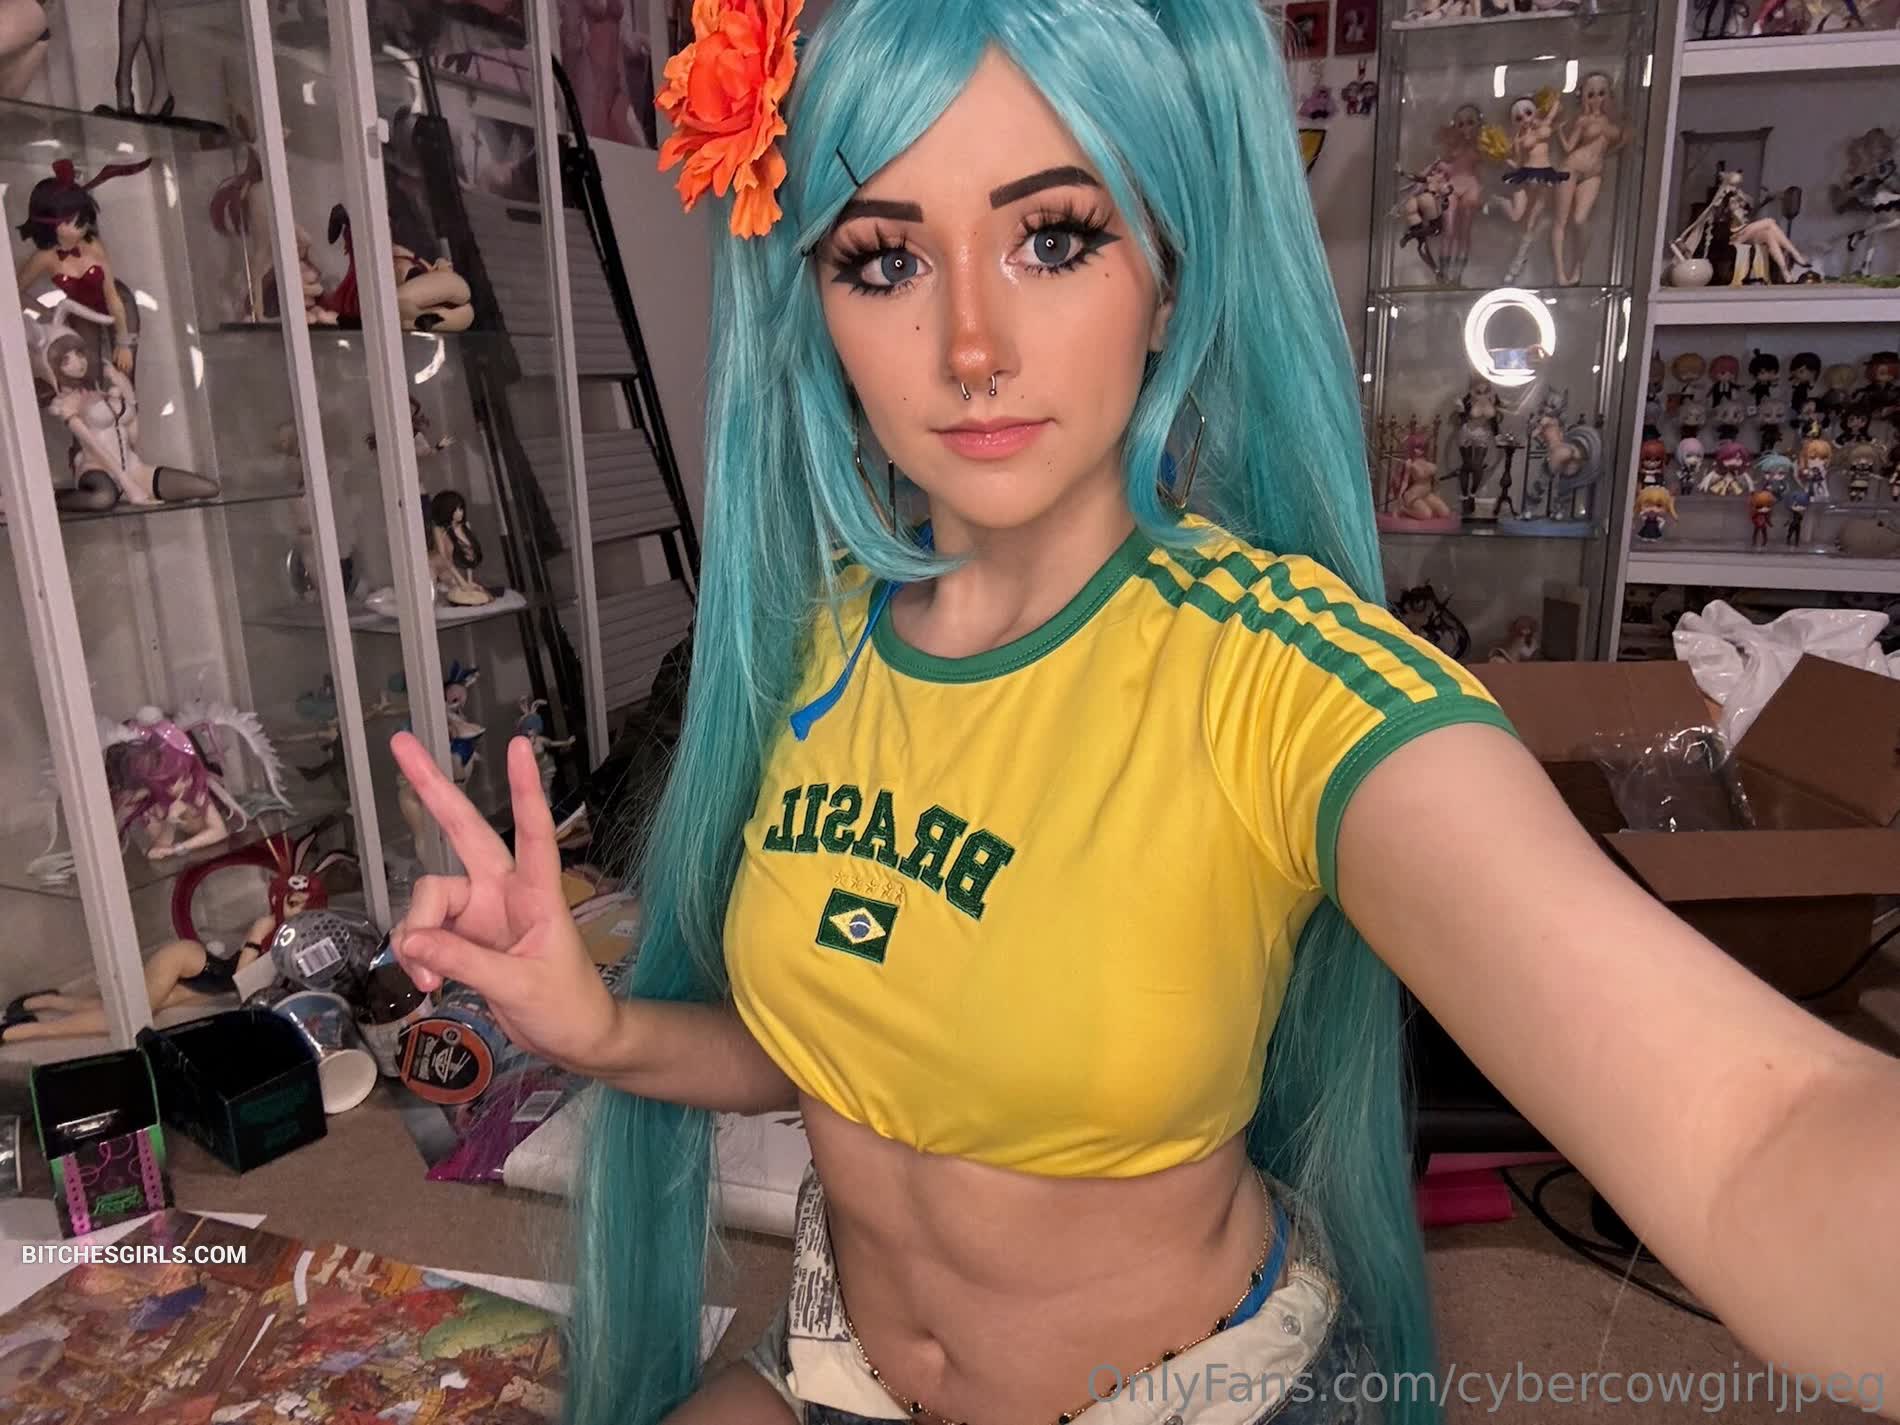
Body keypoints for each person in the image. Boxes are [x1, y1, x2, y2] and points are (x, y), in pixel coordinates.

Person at [386, 4, 1900, 1425]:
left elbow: (1755, 1134)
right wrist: (601, 1027)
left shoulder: (1277, 677)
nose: (971, 347)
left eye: (1053, 238)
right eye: (884, 259)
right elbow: (836, 1049)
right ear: (814, 307)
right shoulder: (815, 646)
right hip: (842, 1363)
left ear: (1168, 276)